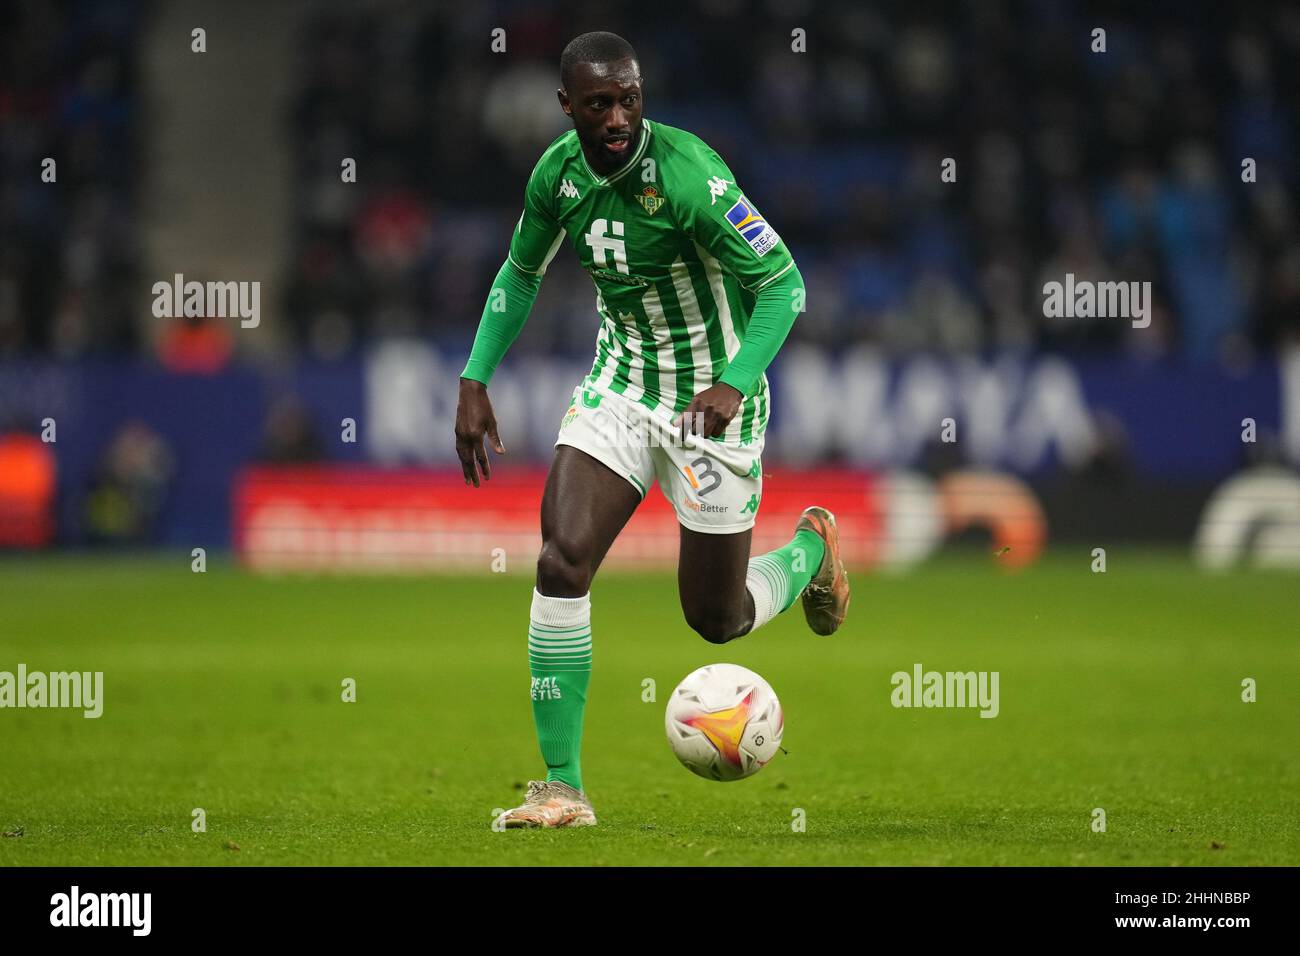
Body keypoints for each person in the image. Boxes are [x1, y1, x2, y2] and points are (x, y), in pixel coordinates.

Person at [454, 32, 850, 829]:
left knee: (717, 619)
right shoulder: (556, 176)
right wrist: (475, 375)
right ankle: (561, 787)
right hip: (622, 389)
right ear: (567, 107)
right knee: (561, 560)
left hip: (712, 407)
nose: (617, 117)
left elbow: (783, 284)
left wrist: (734, 385)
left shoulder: (691, 176)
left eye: (629, 99)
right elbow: (521, 272)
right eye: (598, 103)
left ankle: (810, 550)